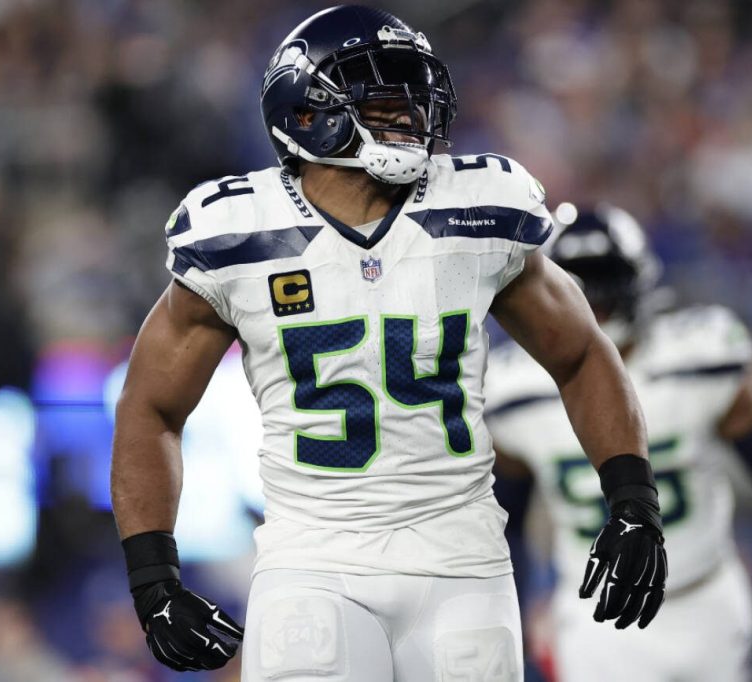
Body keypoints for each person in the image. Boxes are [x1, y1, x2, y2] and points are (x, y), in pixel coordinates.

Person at [110, 7, 667, 680]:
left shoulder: (478, 206)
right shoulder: (235, 233)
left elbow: (581, 354)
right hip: (312, 559)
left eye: (413, 90)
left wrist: (634, 500)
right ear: (307, 112)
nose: (410, 109)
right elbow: (151, 407)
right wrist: (153, 577)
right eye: (382, 94)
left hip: (462, 557)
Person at [485, 204, 752, 682]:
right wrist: (512, 627)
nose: (595, 299)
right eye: (579, 284)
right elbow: (505, 524)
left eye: (605, 280)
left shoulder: (699, 359)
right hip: (599, 622)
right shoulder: (515, 392)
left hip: (707, 603)